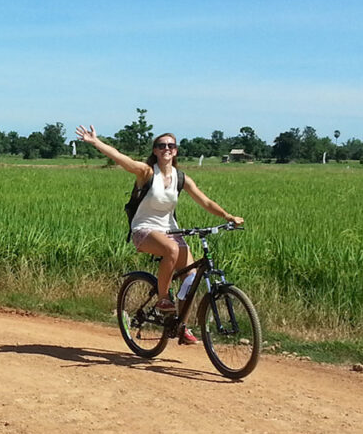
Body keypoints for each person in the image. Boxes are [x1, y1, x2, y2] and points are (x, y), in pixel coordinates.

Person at [74, 125, 244, 344]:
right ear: (155, 150)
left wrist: (227, 215)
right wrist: (96, 142)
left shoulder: (181, 178)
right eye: (161, 145)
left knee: (190, 279)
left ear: (175, 151)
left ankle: (180, 326)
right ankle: (163, 298)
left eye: (171, 146)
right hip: (144, 229)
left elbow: (205, 201)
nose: (166, 149)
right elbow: (120, 158)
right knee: (171, 249)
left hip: (170, 230)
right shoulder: (146, 173)